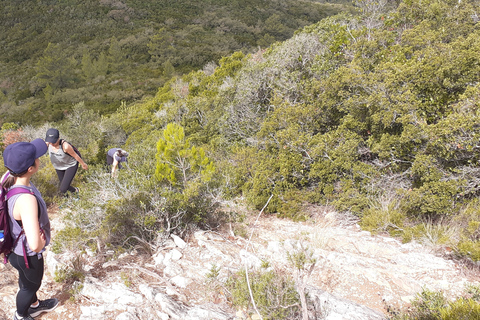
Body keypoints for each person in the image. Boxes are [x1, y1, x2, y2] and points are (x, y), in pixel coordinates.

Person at [2, 139, 59, 320]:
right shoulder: (26, 200)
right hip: (27, 255)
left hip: (14, 250)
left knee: (25, 280)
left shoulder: (8, 178)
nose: (39, 159)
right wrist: (42, 240)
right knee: (29, 286)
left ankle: (34, 306)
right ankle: (21, 315)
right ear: (30, 168)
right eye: (36, 157)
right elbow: (34, 245)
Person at [45, 128, 88, 196]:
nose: (52, 144)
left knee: (63, 188)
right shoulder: (47, 143)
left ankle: (76, 191)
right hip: (58, 167)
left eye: (54, 141)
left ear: (58, 138)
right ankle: (67, 201)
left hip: (70, 165)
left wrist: (83, 164)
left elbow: (75, 156)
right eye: (50, 141)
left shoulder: (65, 146)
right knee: (64, 188)